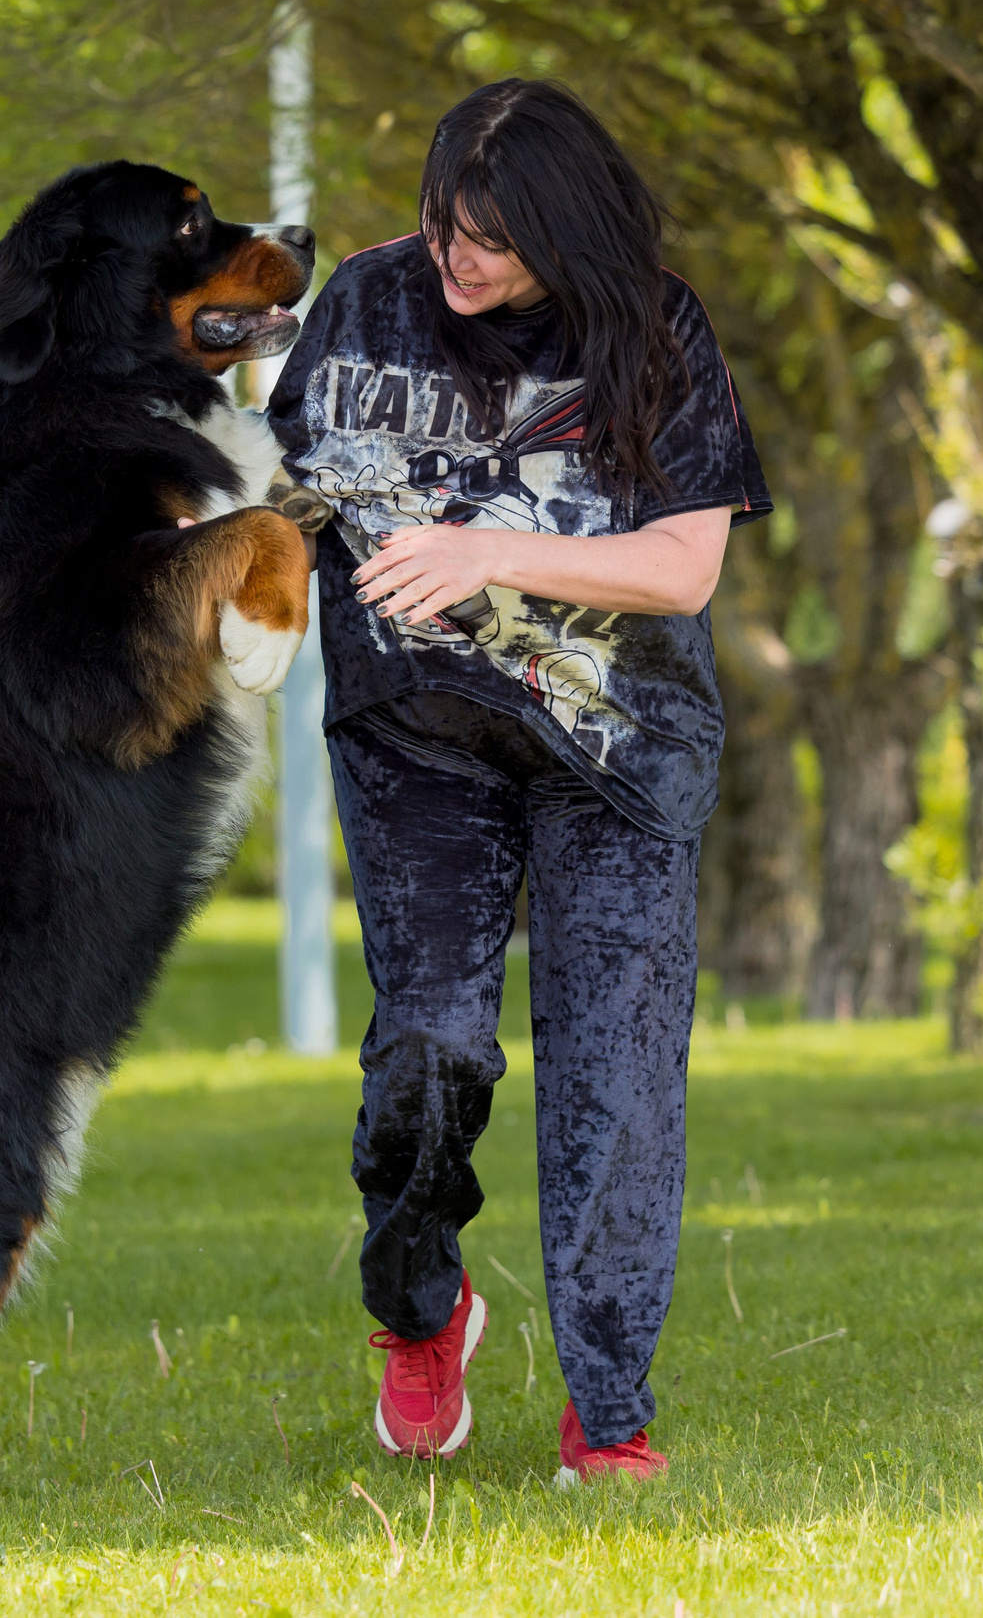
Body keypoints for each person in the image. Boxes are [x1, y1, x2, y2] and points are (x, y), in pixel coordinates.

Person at [266, 78, 772, 1484]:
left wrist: (488, 549)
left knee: (614, 1081)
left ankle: (607, 1416)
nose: (457, 257)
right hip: (417, 739)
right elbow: (280, 490)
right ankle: (422, 1310)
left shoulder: (653, 329)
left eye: (489, 236)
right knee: (429, 1050)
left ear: (565, 225)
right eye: (441, 223)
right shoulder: (364, 305)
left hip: (616, 753)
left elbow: (684, 565)